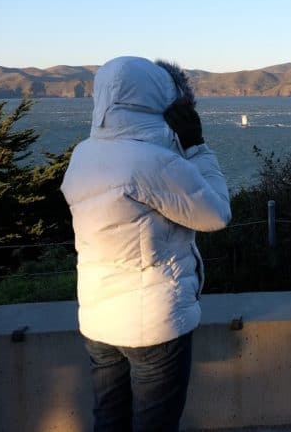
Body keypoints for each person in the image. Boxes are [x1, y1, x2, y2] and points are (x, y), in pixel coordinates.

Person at [61, 56, 231, 432]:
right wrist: (197, 147)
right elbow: (216, 215)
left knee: (109, 420)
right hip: (154, 323)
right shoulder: (153, 162)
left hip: (98, 319)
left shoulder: (83, 155)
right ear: (158, 99)